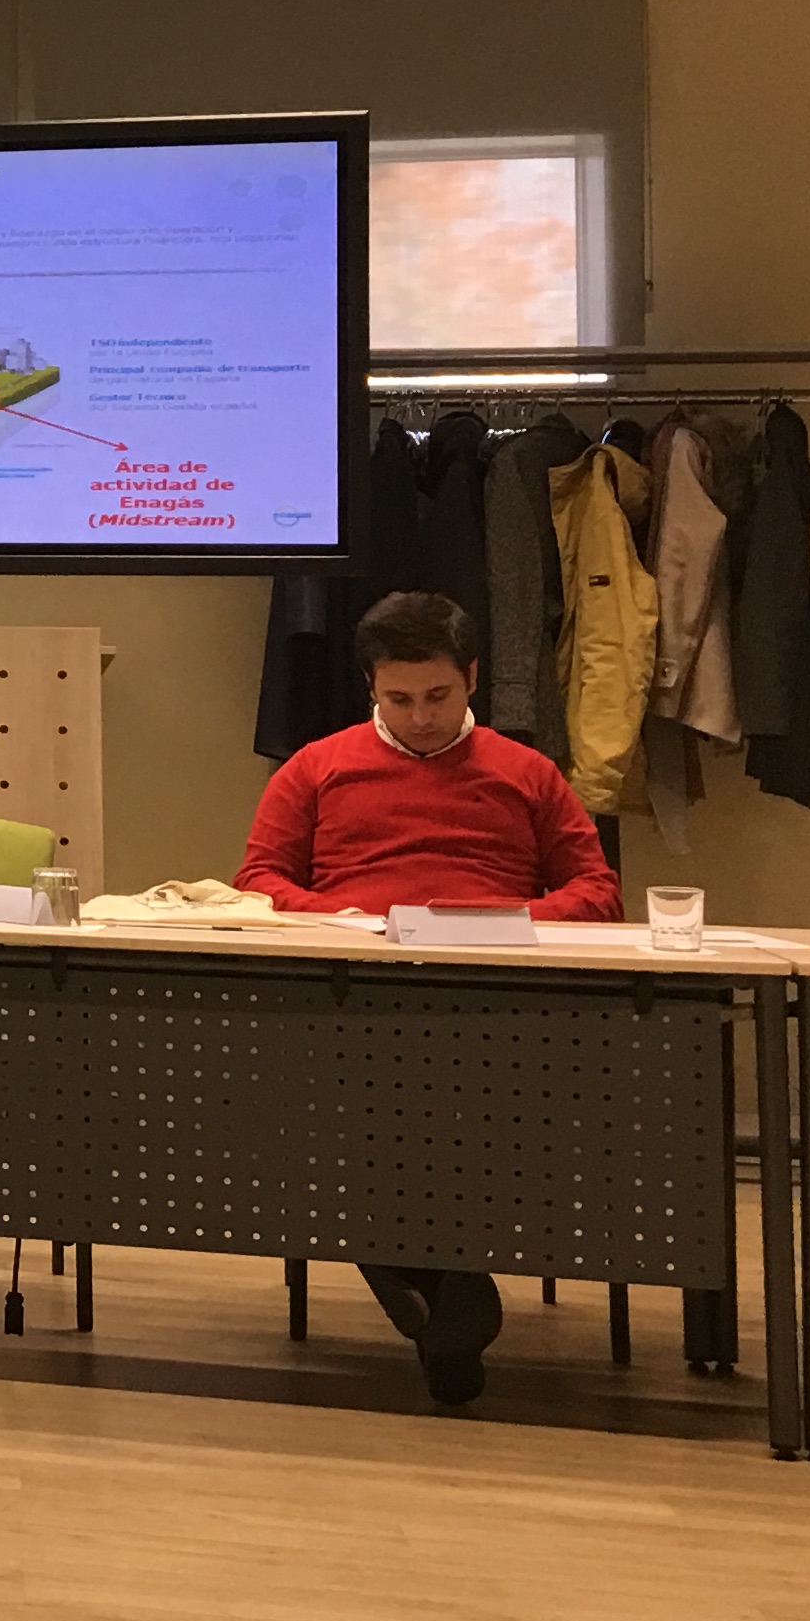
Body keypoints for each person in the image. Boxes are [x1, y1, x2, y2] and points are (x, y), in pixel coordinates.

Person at [236, 587, 621, 1405]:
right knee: (345, 1108)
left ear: (472, 677)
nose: (420, 718)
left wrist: (502, 925)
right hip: (354, 992)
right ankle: (445, 1287)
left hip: (490, 999)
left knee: (396, 1113)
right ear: (370, 687)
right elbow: (259, 882)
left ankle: (428, 1286)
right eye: (399, 699)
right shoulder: (316, 767)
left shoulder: (527, 772)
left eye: (438, 696)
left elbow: (597, 891)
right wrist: (355, 921)